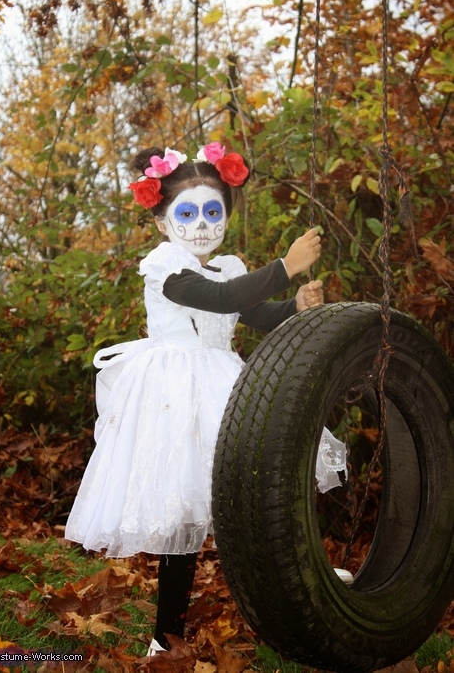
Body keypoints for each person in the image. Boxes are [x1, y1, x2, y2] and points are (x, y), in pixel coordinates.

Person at [65, 142, 347, 656]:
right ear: (162, 220)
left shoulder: (229, 266)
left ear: (226, 217)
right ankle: (164, 634)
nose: (200, 225)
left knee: (262, 480)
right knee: (185, 512)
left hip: (224, 385)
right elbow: (217, 300)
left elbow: (252, 313)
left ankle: (311, 577)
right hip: (173, 394)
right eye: (187, 213)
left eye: (212, 212)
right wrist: (285, 265)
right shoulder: (165, 267)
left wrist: (295, 303)